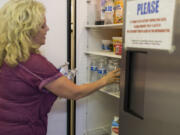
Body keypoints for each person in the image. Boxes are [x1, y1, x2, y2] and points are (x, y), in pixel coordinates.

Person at [0, 0, 120, 135]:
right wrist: (106, 80)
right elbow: (76, 93)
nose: (47, 29)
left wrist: (55, 83)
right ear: (28, 30)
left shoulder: (8, 55)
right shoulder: (33, 62)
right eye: (42, 26)